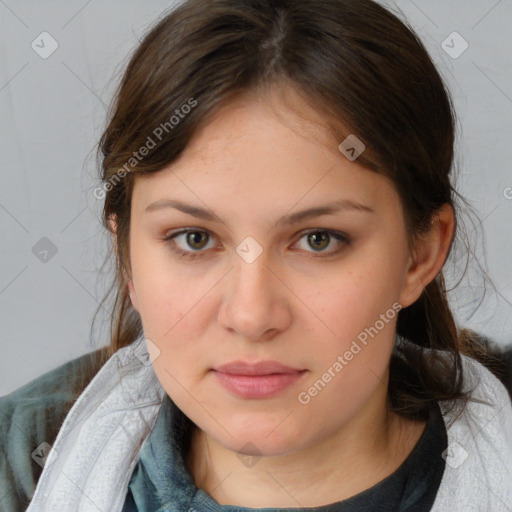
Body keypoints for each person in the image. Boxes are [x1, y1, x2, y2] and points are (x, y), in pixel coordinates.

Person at [1, 0, 511, 510]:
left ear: (420, 253)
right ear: (128, 258)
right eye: (193, 239)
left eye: (319, 239)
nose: (251, 316)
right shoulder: (17, 469)